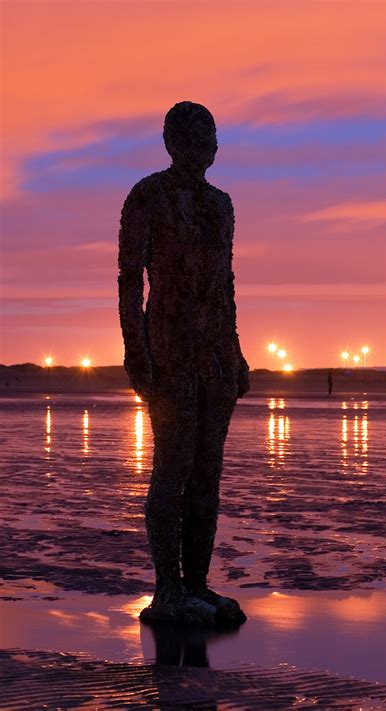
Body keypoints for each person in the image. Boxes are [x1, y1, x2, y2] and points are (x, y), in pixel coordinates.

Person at [118, 101, 249, 625]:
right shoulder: (148, 196)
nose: (204, 148)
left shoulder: (221, 204)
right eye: (194, 138)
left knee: (207, 472)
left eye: (210, 138)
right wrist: (136, 351)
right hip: (169, 346)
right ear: (172, 142)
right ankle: (168, 589)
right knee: (172, 467)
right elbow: (130, 281)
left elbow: (226, 284)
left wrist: (236, 351)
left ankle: (196, 582)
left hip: (214, 352)